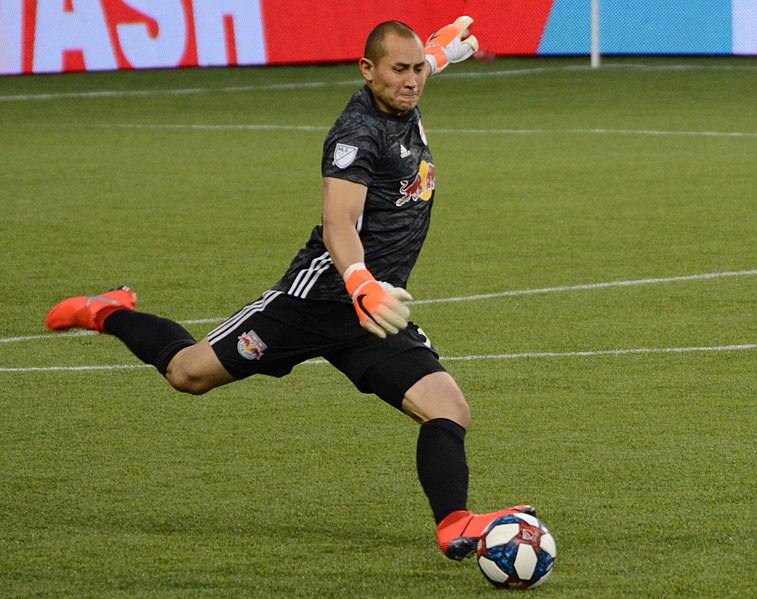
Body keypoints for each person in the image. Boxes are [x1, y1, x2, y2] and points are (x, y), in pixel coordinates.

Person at [45, 17, 534, 561]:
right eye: (401, 70)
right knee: (187, 374)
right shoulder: (356, 135)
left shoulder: (403, 92)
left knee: (448, 409)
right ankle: (107, 311)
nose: (413, 81)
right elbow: (338, 224)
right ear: (367, 71)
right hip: (316, 300)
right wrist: (360, 282)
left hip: (374, 314)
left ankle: (454, 524)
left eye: (419, 69)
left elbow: (415, 70)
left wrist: (439, 55)